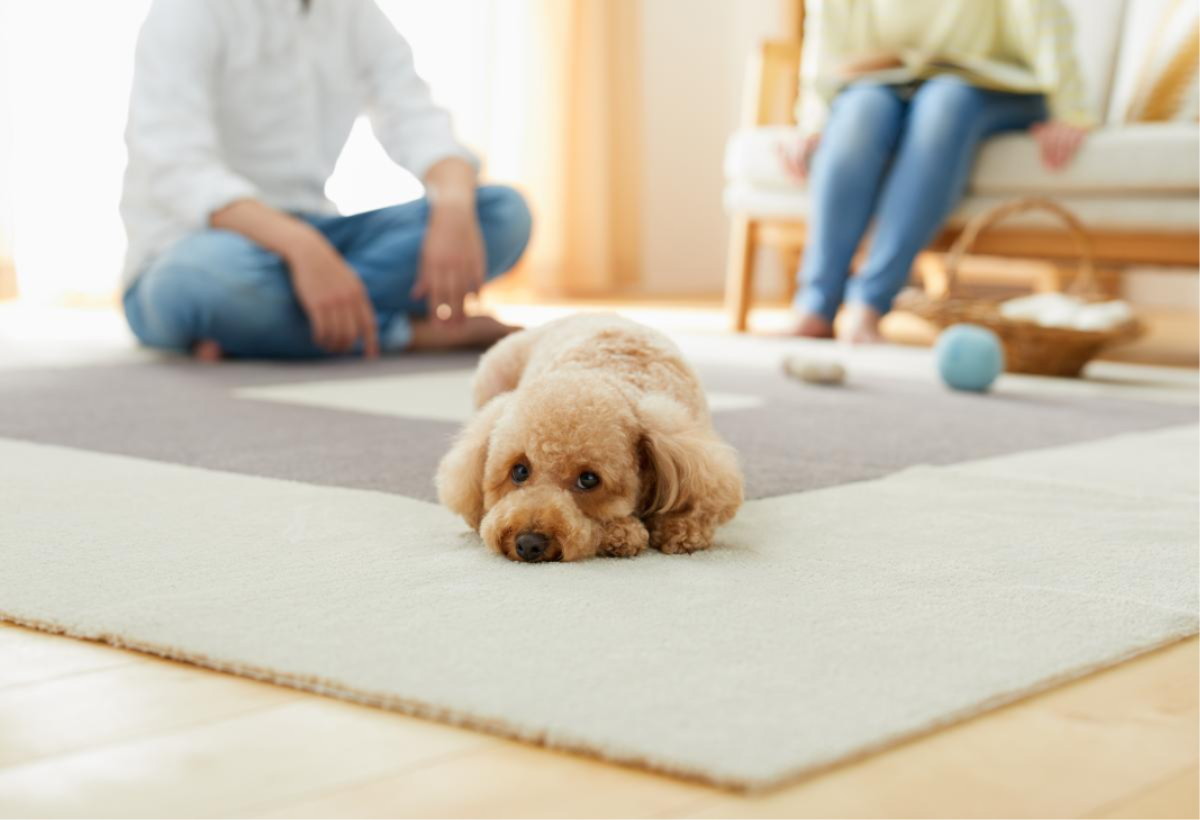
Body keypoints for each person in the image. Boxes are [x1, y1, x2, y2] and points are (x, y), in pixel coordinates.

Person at [120, 0, 531, 361]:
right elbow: (177, 166)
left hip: (322, 235)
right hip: (196, 247)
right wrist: (301, 246)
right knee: (203, 279)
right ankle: (404, 333)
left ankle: (269, 330)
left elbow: (417, 120)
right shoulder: (188, 9)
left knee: (503, 213)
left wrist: (453, 208)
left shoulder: (353, 10)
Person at [780, 0, 1093, 343]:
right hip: (880, 78)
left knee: (943, 104)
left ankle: (868, 304)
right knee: (859, 112)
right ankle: (815, 305)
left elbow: (1045, 19)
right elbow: (826, 36)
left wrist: (1070, 112)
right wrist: (812, 121)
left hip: (991, 81)